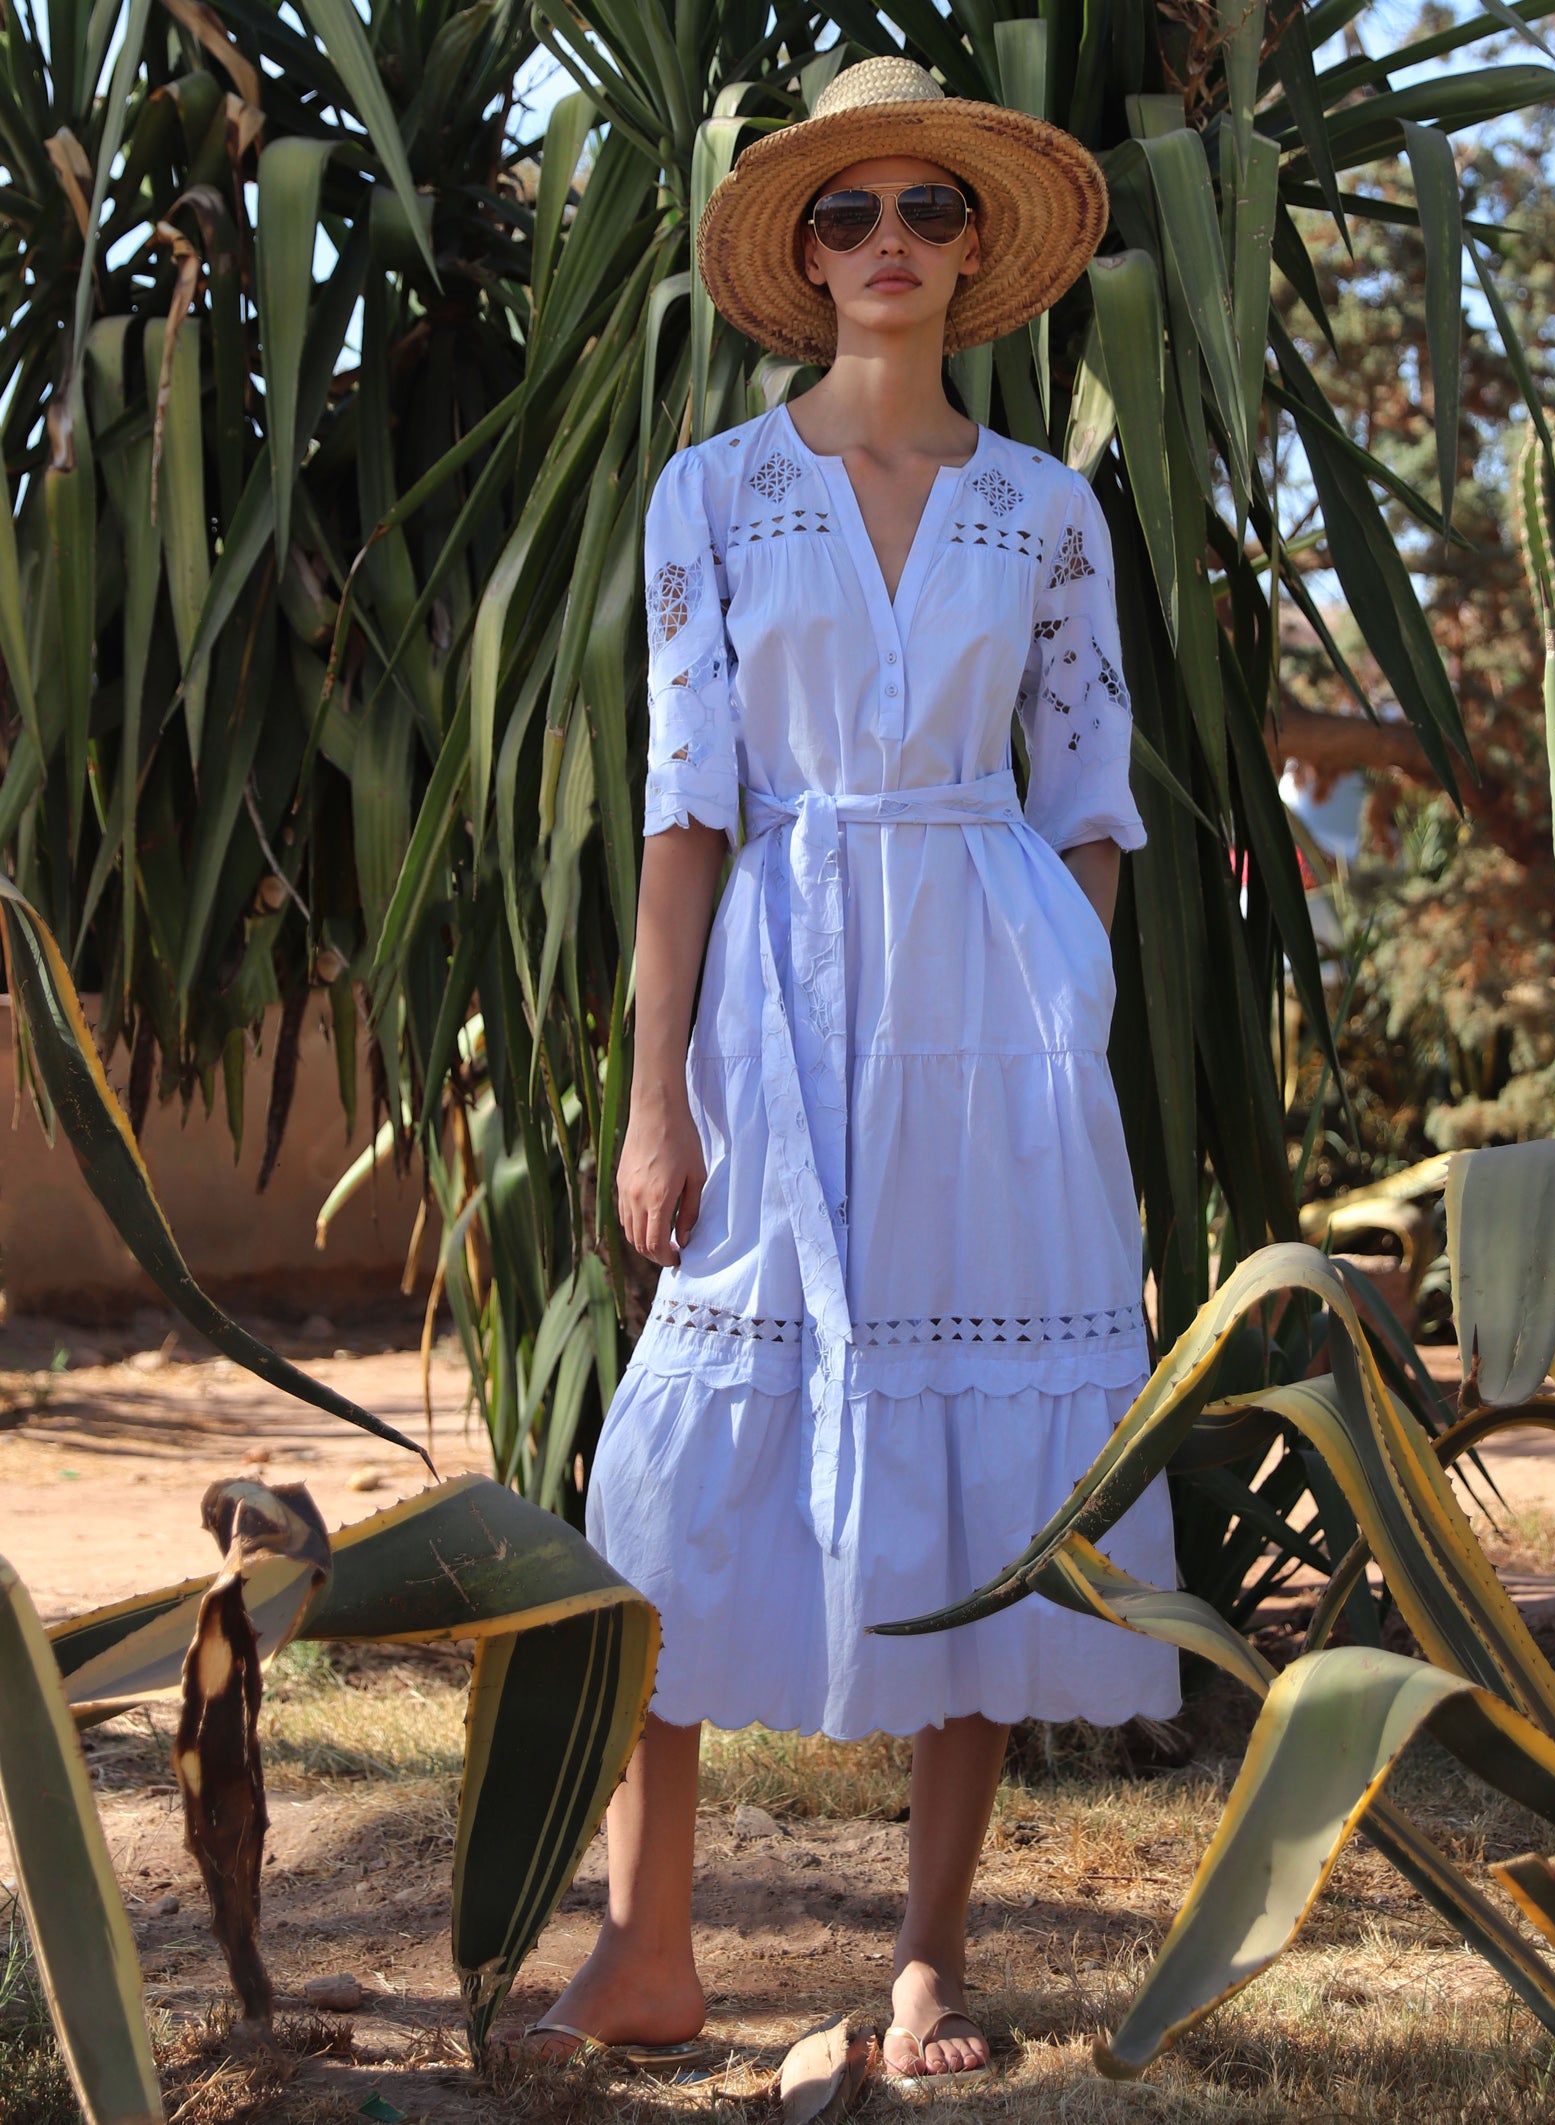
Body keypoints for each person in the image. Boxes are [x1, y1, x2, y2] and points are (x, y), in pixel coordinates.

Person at [504, 53, 1179, 2080]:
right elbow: (682, 801)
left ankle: (927, 1963)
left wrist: (1065, 999)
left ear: (978, 254)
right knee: (675, 1462)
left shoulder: (1045, 513)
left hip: (995, 1019)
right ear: (798, 259)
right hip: (781, 1004)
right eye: (844, 215)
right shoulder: (708, 496)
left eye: (923, 213)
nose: (887, 244)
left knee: (988, 1465)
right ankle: (647, 1945)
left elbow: (1086, 791)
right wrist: (651, 1096)